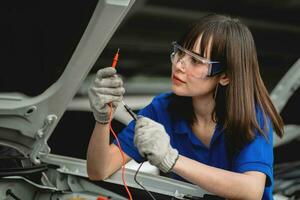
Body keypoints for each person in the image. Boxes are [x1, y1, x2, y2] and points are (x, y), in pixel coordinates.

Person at [87, 13, 284, 200]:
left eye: (196, 61)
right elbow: (99, 170)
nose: (180, 65)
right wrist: (102, 121)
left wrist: (172, 160)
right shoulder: (162, 109)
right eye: (180, 52)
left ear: (225, 76)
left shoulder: (252, 114)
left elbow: (251, 190)